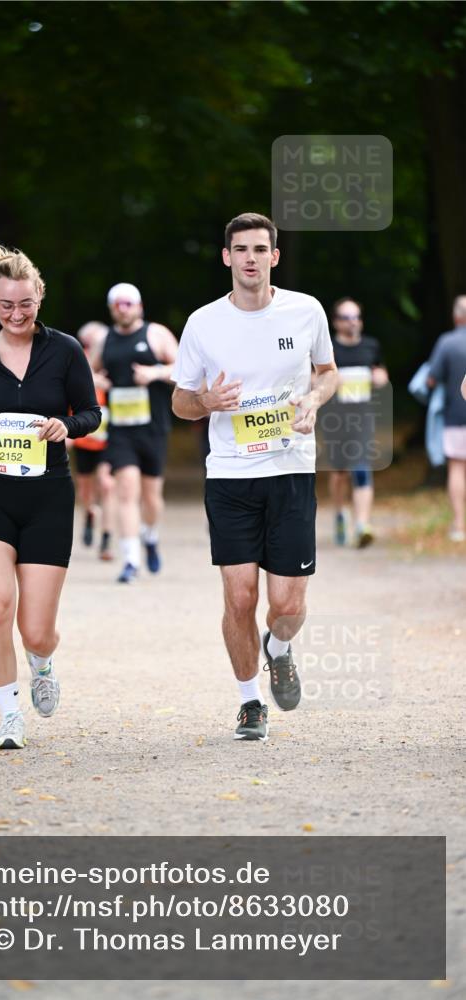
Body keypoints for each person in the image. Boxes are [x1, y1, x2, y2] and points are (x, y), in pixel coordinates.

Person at [172, 212, 338, 742]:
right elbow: (179, 400)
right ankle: (249, 701)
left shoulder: (305, 311)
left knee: (286, 607)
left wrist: (313, 399)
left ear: (274, 256)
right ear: (226, 257)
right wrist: (206, 401)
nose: (249, 257)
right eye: (239, 249)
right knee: (240, 598)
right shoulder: (202, 323)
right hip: (230, 476)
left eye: (259, 249)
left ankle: (280, 648)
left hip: (290, 469)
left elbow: (328, 372)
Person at [0, 241, 100, 750]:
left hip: (49, 497)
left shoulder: (65, 350)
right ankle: (8, 714)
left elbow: (92, 414)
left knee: (35, 630)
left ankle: (42, 662)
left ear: (39, 298)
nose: (16, 313)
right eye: (6, 304)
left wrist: (64, 425)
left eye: (25, 304)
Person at [93, 282, 178, 583]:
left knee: (152, 497)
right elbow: (88, 371)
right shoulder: (106, 340)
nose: (124, 308)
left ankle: (150, 536)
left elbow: (183, 367)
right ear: (112, 308)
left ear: (139, 306)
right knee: (126, 491)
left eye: (129, 303)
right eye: (118, 304)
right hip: (121, 430)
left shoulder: (156, 334)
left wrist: (154, 372)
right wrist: (97, 382)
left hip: (153, 427)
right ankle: (130, 560)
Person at [326, 298, 389, 548]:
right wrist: (332, 381)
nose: (353, 322)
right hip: (334, 420)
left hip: (363, 418)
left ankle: (362, 524)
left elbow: (381, 372)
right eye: (346, 317)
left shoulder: (371, 346)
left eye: (356, 317)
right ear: (336, 322)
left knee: (362, 468)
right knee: (340, 473)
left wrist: (380, 377)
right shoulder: (328, 349)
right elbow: (311, 378)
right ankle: (340, 513)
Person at [72, 321, 116, 561]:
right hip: (85, 439)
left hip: (109, 440)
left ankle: (107, 540)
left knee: (107, 486)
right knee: (86, 490)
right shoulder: (79, 364)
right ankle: (89, 513)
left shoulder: (113, 363)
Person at [427, 295, 466, 543]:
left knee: (457, 469)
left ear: (456, 316)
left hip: (455, 416)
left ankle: (458, 525)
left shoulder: (447, 343)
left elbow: (431, 379)